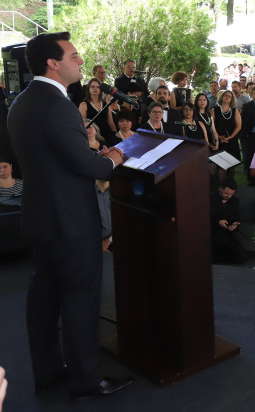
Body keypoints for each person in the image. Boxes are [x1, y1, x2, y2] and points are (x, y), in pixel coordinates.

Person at [7, 32, 133, 400]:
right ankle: (87, 381)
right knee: (80, 300)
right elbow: (84, 165)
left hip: (42, 217)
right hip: (71, 222)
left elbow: (55, 158)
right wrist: (114, 157)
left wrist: (92, 151)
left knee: (43, 299)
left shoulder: (22, 101)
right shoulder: (57, 105)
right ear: (53, 62)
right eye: (74, 56)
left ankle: (47, 372)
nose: (80, 61)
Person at [210, 178, 247, 264]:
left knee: (241, 257)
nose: (228, 196)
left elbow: (236, 217)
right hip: (214, 231)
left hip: (227, 232)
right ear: (220, 188)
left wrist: (235, 224)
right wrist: (218, 222)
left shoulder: (234, 201)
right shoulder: (210, 200)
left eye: (231, 194)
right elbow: (204, 218)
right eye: (226, 193)